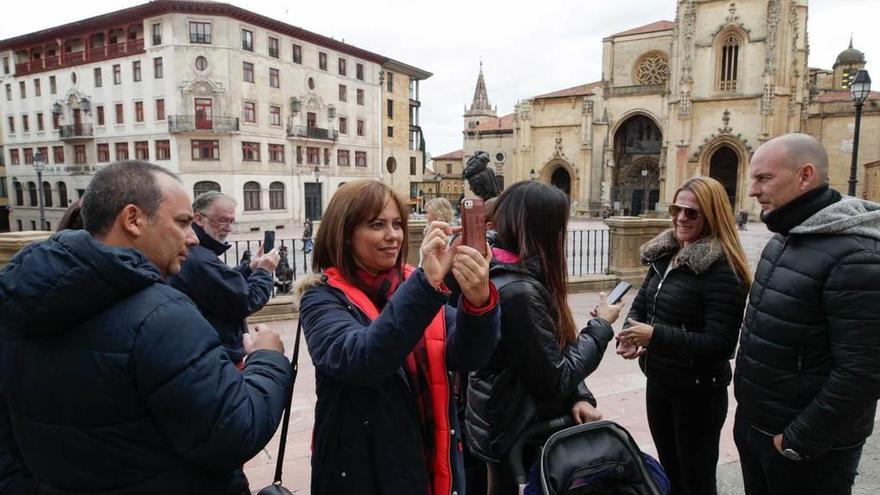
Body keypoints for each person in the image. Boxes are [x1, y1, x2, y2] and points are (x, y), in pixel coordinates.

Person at [0, 161, 292, 494]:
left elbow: (8, 449)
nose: (193, 238)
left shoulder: (15, 300)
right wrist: (268, 359)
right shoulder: (163, 317)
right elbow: (234, 432)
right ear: (133, 219)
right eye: (182, 222)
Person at [295, 180, 501, 495]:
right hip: (362, 471)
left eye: (396, 224)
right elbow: (363, 359)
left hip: (432, 457)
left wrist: (478, 302)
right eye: (377, 225)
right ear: (345, 234)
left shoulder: (415, 285)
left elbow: (469, 355)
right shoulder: (321, 298)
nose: (393, 235)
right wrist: (426, 284)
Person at [733, 133, 880, 495]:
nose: (751, 190)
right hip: (759, 428)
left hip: (807, 448)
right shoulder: (784, 237)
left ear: (805, 176)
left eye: (764, 178)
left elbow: (862, 372)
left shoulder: (857, 257)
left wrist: (799, 440)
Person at [466, 180, 622, 494]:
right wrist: (602, 327)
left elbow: (547, 352)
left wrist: (580, 394)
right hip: (517, 431)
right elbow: (553, 378)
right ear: (545, 230)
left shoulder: (507, 270)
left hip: (510, 422)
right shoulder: (519, 292)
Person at [616, 176, 751, 495]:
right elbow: (643, 302)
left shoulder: (723, 269)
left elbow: (720, 345)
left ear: (713, 214)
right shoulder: (665, 255)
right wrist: (633, 335)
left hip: (698, 393)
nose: (680, 218)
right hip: (660, 382)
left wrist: (655, 337)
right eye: (677, 209)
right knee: (670, 471)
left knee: (696, 480)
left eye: (692, 212)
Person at [169, 191, 279, 367]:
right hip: (218, 355)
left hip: (209, 351)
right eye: (222, 220)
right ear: (199, 218)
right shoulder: (199, 257)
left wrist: (250, 269)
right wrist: (265, 272)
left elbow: (220, 282)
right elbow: (245, 300)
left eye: (231, 221)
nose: (228, 227)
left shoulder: (201, 253)